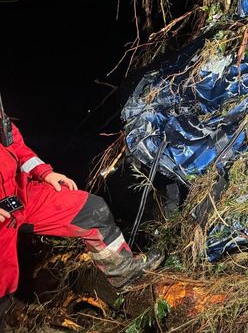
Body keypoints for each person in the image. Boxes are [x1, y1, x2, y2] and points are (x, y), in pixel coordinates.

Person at [0, 121, 162, 325]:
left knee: (92, 211)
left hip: (19, 195)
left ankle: (124, 273)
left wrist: (44, 172)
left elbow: (14, 145)